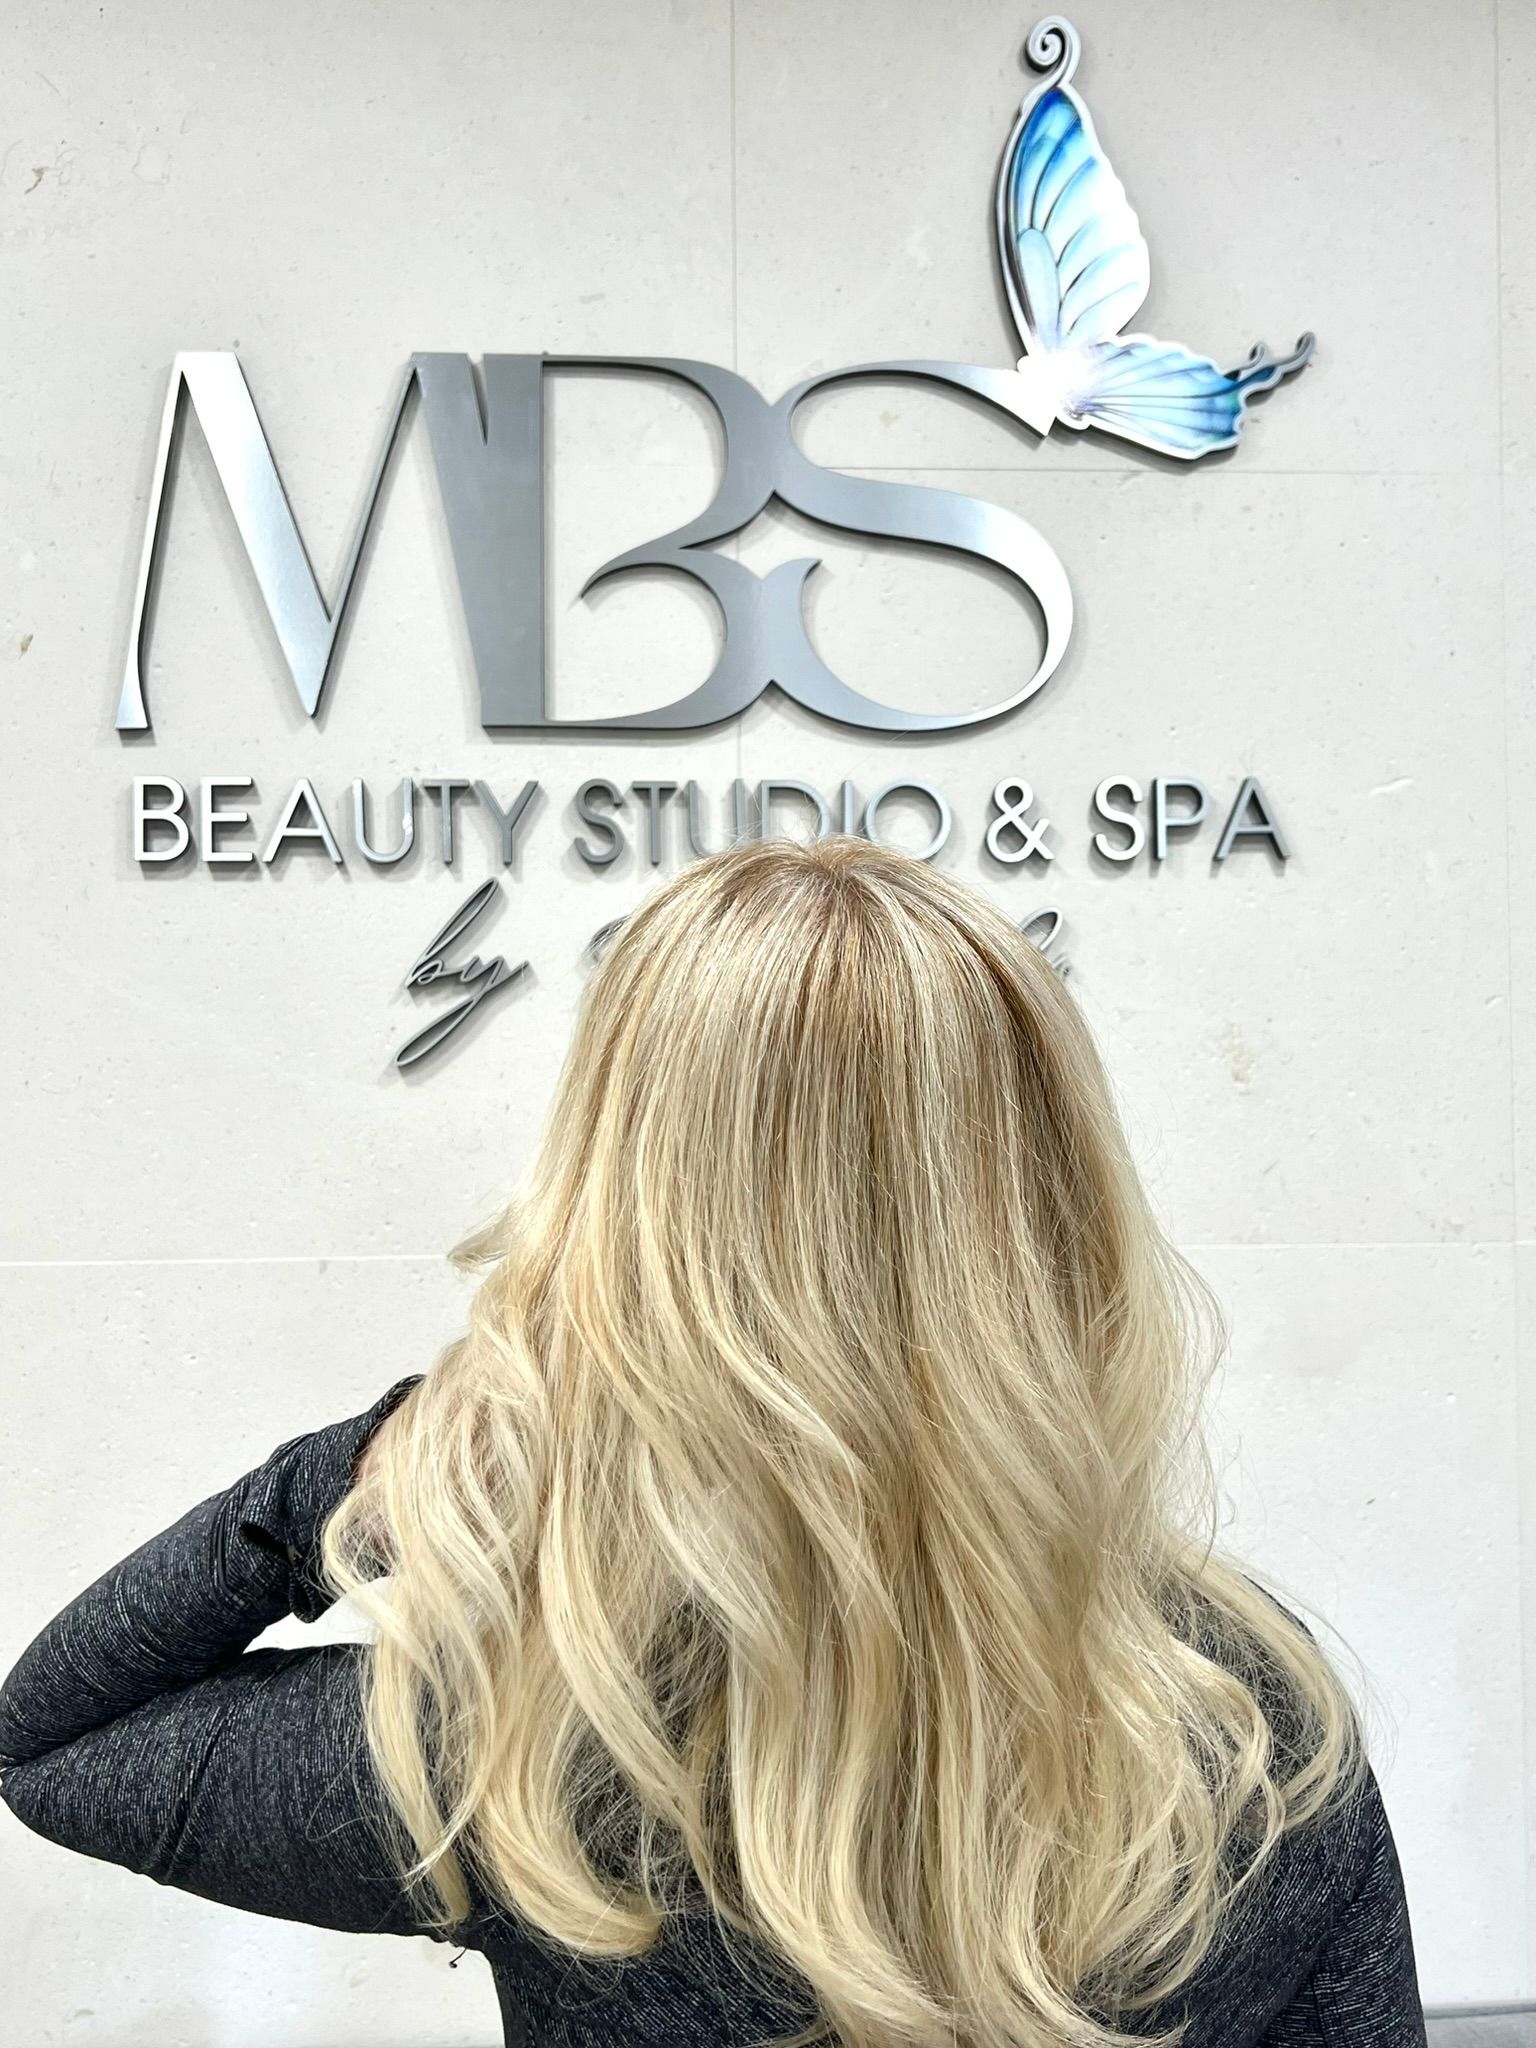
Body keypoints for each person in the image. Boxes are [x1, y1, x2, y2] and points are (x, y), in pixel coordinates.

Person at [0, 834, 1426, 2048]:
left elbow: (50, 1741)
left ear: (627, 1231)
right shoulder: (1249, 1734)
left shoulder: (531, 1747)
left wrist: (378, 1462)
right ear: (1054, 1211)